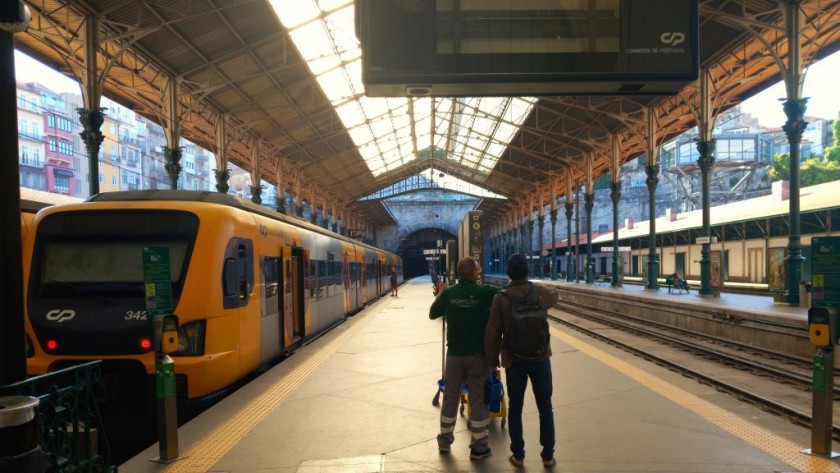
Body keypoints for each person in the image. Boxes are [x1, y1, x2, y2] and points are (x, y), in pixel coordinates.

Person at [485, 253, 560, 469]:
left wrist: (492, 360)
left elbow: (493, 333)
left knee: (516, 409)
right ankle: (547, 456)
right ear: (527, 271)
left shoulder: (501, 298)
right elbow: (556, 296)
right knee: (545, 407)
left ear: (509, 273)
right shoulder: (541, 293)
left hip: (513, 360)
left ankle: (518, 455)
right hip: (541, 358)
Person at [429, 256, 500, 460]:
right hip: (478, 358)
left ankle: (444, 442)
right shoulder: (484, 292)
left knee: (450, 398)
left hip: (454, 358)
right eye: (477, 269)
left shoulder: (449, 293)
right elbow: (507, 295)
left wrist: (442, 295)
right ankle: (479, 447)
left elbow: (433, 314)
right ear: (473, 273)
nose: (478, 271)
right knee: (478, 401)